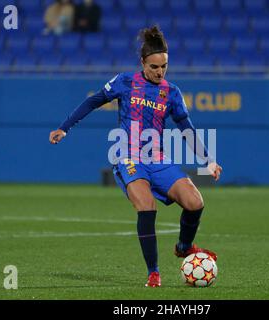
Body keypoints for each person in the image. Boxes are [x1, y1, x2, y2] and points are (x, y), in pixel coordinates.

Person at [49, 26, 223, 287]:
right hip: (129, 156)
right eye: (154, 66)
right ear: (143, 63)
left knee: (195, 202)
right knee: (146, 206)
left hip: (158, 158)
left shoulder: (171, 92)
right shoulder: (125, 82)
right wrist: (64, 126)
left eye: (164, 66)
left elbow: (185, 127)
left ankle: (184, 247)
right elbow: (93, 101)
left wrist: (207, 159)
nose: (160, 72)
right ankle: (153, 272)